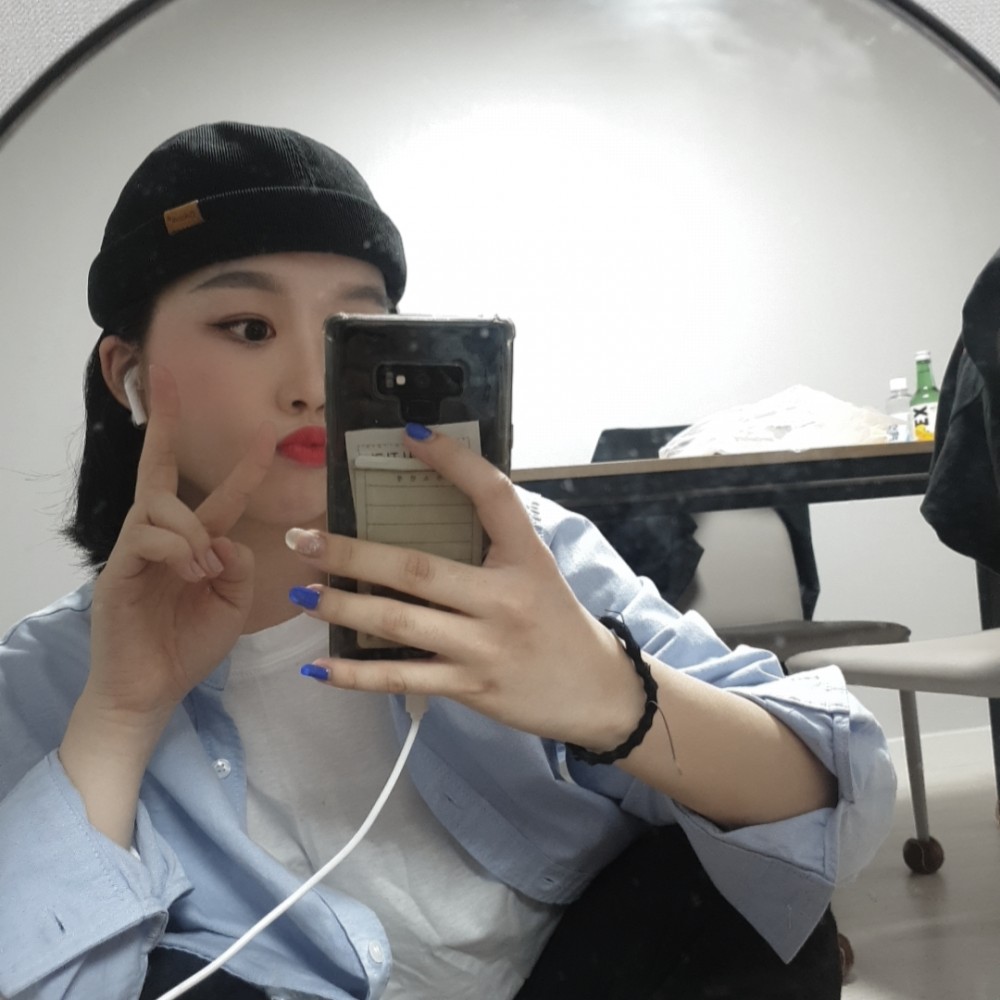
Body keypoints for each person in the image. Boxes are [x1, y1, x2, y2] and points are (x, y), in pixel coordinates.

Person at [0, 121, 894, 1000]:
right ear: (127, 374)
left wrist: (613, 695)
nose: (312, 384)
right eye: (248, 327)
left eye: (353, 328)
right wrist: (119, 717)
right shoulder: (47, 678)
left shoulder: (518, 556)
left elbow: (834, 805)